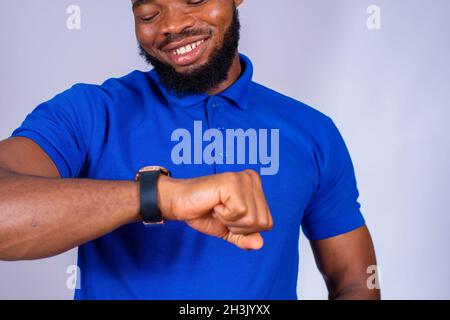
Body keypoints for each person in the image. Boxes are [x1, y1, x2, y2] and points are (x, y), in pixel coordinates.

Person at [0, 0, 380, 300]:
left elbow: (355, 281)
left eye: (194, 0)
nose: (171, 25)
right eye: (148, 12)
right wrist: (162, 197)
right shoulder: (90, 112)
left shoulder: (312, 132)